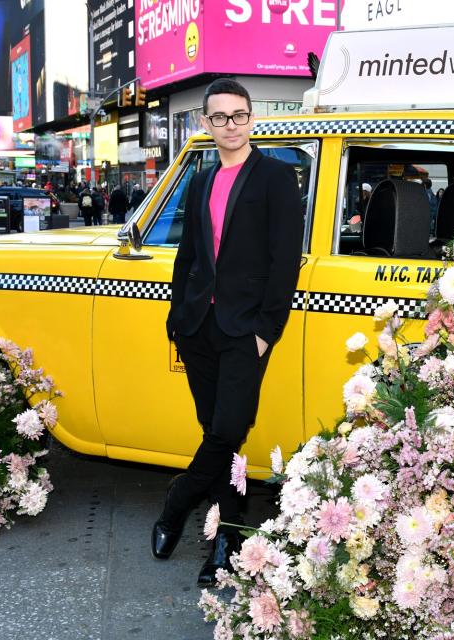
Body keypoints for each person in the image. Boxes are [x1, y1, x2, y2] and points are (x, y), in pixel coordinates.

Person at [153, 78, 304, 585]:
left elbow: (286, 261)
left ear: (251, 117)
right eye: (219, 117)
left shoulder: (277, 178)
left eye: (238, 115)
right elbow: (188, 255)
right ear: (205, 122)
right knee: (220, 439)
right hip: (198, 327)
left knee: (226, 431)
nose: (230, 125)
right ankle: (227, 536)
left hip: (246, 331)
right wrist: (177, 318)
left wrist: (267, 329)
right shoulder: (201, 179)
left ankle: (176, 504)